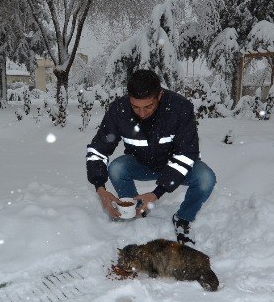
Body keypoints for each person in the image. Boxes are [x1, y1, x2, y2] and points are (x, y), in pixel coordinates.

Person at [86, 69, 216, 244]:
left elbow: (186, 154)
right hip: (141, 163)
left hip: (174, 166)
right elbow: (97, 150)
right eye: (135, 107)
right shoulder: (119, 110)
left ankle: (183, 218)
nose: (142, 113)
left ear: (160, 95)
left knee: (206, 178)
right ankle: (135, 212)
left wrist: (157, 193)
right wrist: (100, 189)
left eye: (148, 106)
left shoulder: (180, 108)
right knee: (116, 168)